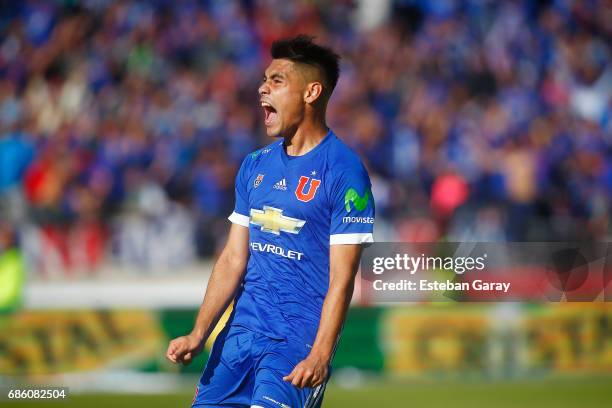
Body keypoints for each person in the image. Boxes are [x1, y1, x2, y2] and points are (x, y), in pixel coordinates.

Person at [166, 35, 375, 408]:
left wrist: (321, 355)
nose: (262, 88)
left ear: (311, 92)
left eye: (276, 80)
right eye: (264, 79)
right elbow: (233, 258)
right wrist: (199, 333)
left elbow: (343, 280)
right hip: (238, 338)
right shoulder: (254, 165)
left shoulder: (345, 172)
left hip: (296, 347)